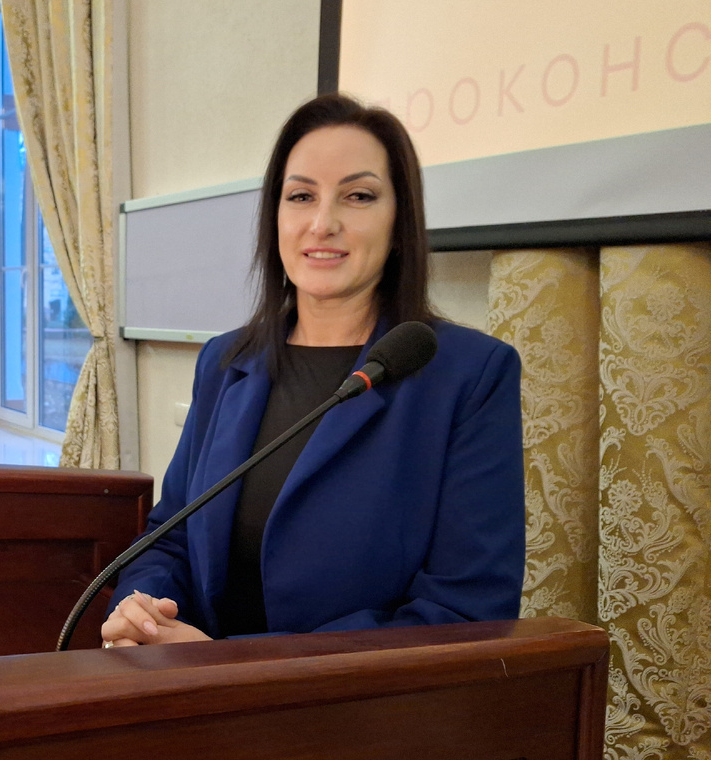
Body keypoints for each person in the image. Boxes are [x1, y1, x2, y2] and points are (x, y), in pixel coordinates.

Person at [101, 93, 525, 647]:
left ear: (400, 222)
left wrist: (224, 664)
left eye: (358, 196)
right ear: (275, 217)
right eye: (301, 196)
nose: (323, 223)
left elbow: (466, 612)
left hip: (351, 702)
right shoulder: (225, 361)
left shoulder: (471, 374)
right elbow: (170, 536)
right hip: (190, 690)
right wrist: (144, 613)